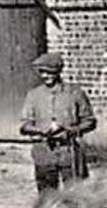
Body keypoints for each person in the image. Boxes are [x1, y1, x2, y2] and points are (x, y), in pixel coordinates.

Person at [19, 51, 96, 192]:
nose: (45, 76)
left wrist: (70, 130)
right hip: (44, 151)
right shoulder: (34, 95)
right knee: (47, 197)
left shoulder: (75, 93)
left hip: (69, 150)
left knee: (77, 195)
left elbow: (90, 121)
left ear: (58, 72)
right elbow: (24, 126)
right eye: (42, 72)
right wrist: (40, 130)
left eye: (49, 72)